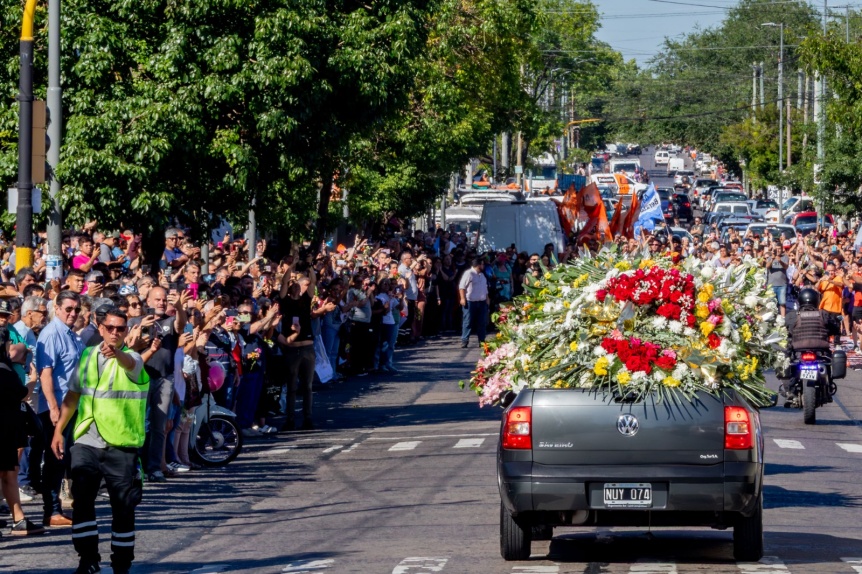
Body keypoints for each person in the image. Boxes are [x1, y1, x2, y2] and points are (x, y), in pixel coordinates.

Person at [51, 307, 148, 574]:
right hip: (87, 441)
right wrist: (59, 430)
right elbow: (72, 395)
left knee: (123, 507)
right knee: (82, 501)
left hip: (121, 444)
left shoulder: (133, 358)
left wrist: (117, 354)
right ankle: (88, 559)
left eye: (121, 329)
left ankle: (121, 564)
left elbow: (130, 365)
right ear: (100, 327)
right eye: (110, 328)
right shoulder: (87, 355)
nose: (115, 333)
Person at [128, 286, 189, 482]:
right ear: (148, 301)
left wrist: (179, 307)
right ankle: (137, 467)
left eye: (164, 300)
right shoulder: (136, 321)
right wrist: (141, 327)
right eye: (157, 299)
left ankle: (154, 468)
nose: (161, 303)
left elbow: (181, 326)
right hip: (142, 379)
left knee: (159, 426)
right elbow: (130, 345)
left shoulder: (170, 321)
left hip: (165, 379)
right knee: (139, 425)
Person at [35, 290, 83, 527]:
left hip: (73, 405)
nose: (73, 313)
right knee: (55, 459)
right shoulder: (52, 333)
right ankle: (51, 511)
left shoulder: (71, 334)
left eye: (77, 309)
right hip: (57, 407)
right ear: (57, 307)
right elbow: (46, 374)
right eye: (69, 309)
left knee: (68, 459)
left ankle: (67, 506)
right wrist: (53, 407)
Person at [459, 257, 489, 348]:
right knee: (468, 321)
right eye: (482, 264)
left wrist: (487, 298)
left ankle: (482, 340)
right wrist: (462, 298)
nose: (483, 266)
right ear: (478, 265)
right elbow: (462, 287)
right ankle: (464, 340)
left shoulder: (482, 275)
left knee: (482, 322)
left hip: (482, 301)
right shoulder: (469, 273)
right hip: (470, 301)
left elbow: (485, 288)